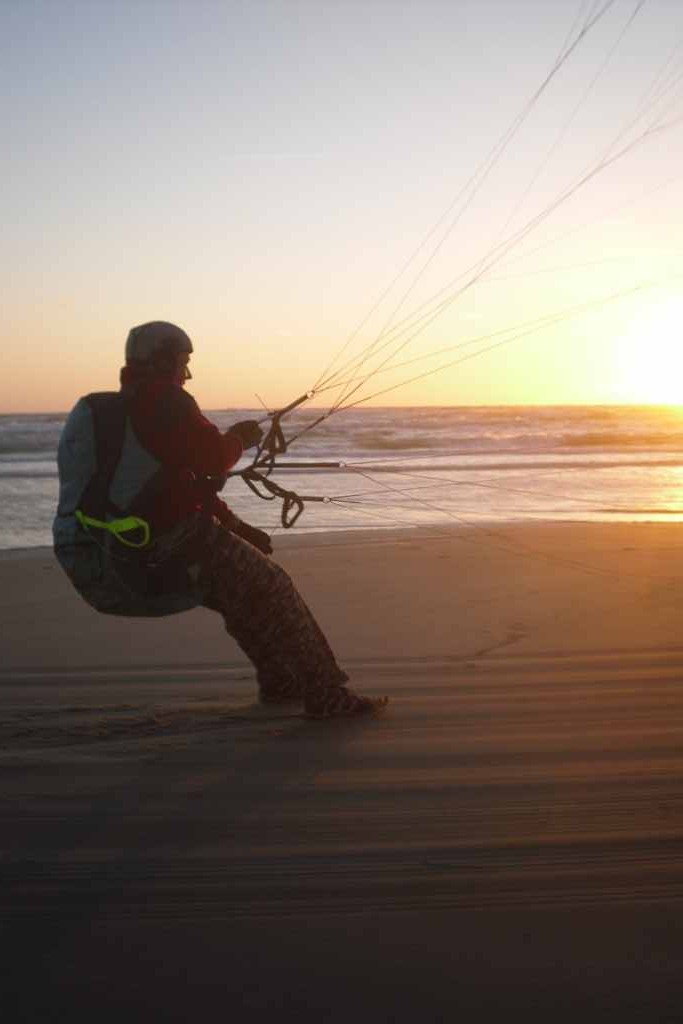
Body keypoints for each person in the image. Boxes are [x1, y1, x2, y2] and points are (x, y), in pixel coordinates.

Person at [53, 321, 388, 719]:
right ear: (163, 362)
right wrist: (240, 440)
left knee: (239, 593)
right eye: (183, 362)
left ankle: (281, 684)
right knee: (274, 586)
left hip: (106, 553)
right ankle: (327, 695)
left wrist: (235, 527)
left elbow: (175, 485)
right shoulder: (165, 401)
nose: (187, 374)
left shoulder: (108, 412)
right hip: (162, 549)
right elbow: (212, 459)